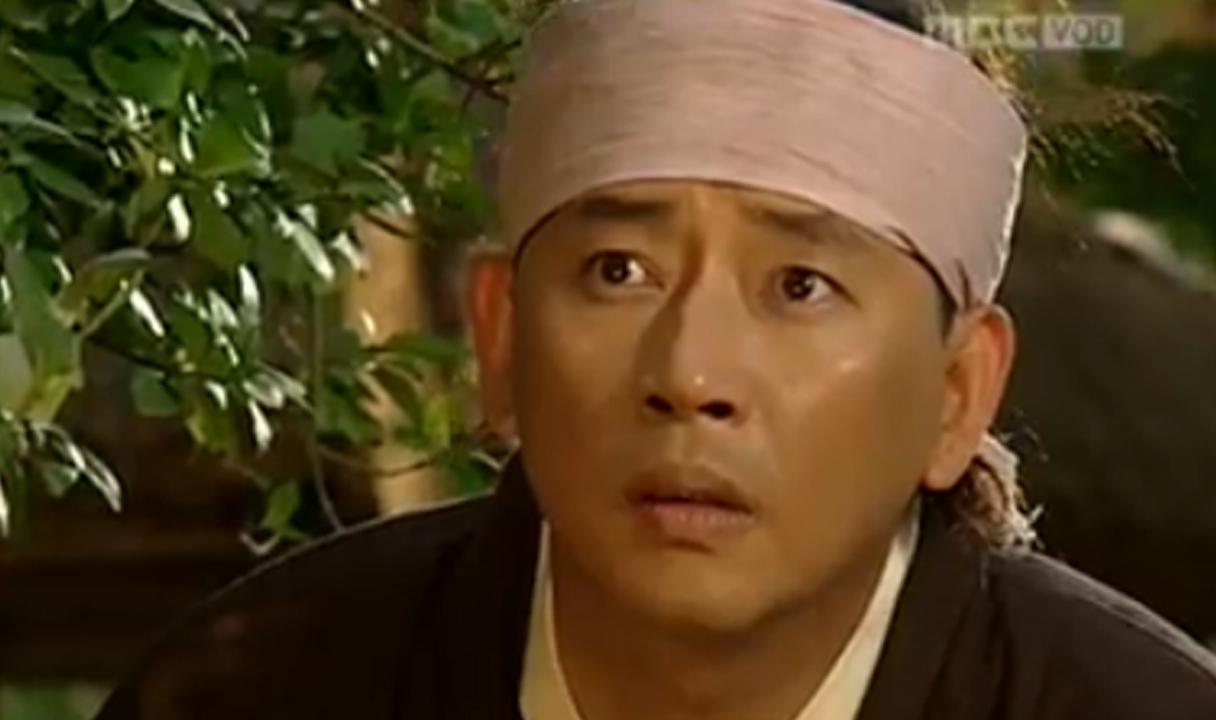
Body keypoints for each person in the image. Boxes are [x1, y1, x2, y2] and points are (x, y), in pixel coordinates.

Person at [97, 0, 1216, 718]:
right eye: (618, 271)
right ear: (500, 336)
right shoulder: (258, 686)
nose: (689, 373)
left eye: (799, 287)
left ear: (955, 393)